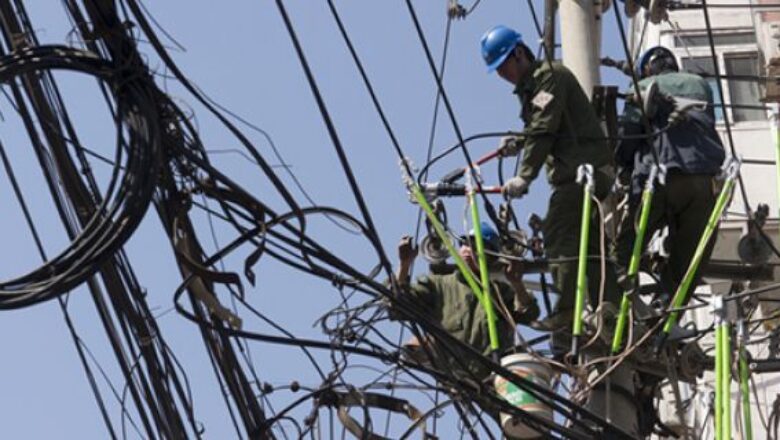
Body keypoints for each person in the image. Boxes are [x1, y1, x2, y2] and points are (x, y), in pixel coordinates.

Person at [480, 25, 620, 332]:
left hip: (582, 173)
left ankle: (568, 311)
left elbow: (545, 129)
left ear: (519, 53)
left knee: (558, 235)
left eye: (504, 65)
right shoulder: (533, 86)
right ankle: (609, 306)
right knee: (591, 245)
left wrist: (524, 176)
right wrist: (518, 141)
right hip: (586, 171)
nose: (503, 74)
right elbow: (542, 127)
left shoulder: (549, 76)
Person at [614, 45, 725, 300]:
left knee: (626, 249)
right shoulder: (699, 84)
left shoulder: (643, 88)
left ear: (646, 70)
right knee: (689, 255)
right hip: (704, 180)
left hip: (659, 178)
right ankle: (668, 307)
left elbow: (629, 138)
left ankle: (616, 299)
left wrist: (621, 164)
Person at [392, 222, 539, 381]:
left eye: (476, 247)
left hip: (492, 376)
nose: (468, 250)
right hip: (453, 373)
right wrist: (404, 265)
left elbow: (529, 314)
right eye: (465, 244)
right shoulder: (439, 285)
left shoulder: (499, 293)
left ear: (490, 257)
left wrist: (517, 284)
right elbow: (397, 306)